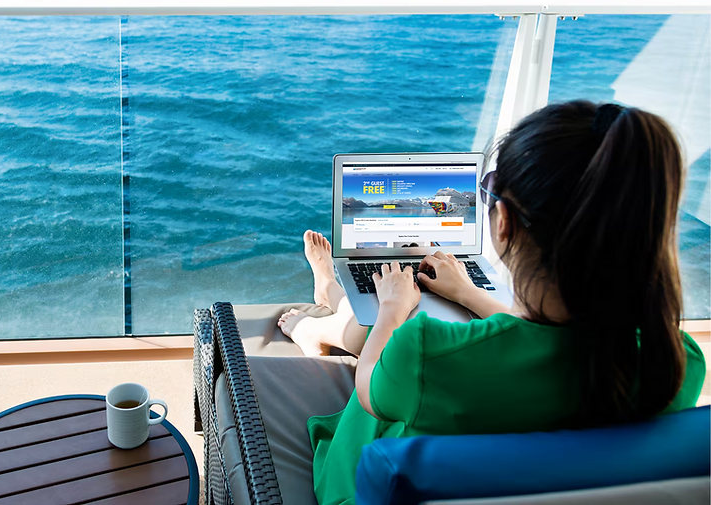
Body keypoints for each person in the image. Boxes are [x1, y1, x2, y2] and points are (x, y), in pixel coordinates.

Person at [267, 100, 707, 505]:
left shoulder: (424, 351)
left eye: (491, 189)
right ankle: (330, 298)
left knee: (377, 336)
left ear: (504, 222)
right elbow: (546, 340)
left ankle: (322, 311)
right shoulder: (673, 362)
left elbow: (368, 388)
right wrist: (468, 293)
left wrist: (391, 312)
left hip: (376, 488)